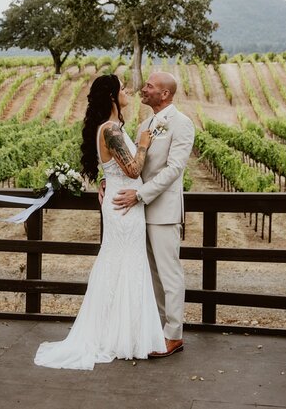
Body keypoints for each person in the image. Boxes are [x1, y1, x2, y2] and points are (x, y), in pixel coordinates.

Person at [34, 74, 166, 370]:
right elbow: (132, 170)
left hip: (120, 200)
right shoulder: (111, 129)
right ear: (111, 96)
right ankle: (119, 335)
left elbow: (114, 168)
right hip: (124, 205)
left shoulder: (109, 128)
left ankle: (123, 333)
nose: (128, 92)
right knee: (122, 261)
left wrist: (106, 178)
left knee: (122, 262)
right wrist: (143, 144)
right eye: (122, 89)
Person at [111, 72, 195, 358]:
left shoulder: (182, 124)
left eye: (149, 86)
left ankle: (174, 335)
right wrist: (108, 182)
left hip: (162, 210)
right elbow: (134, 164)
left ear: (165, 95)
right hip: (138, 211)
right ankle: (157, 329)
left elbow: (174, 170)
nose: (143, 89)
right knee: (151, 274)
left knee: (169, 274)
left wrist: (141, 194)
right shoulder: (144, 124)